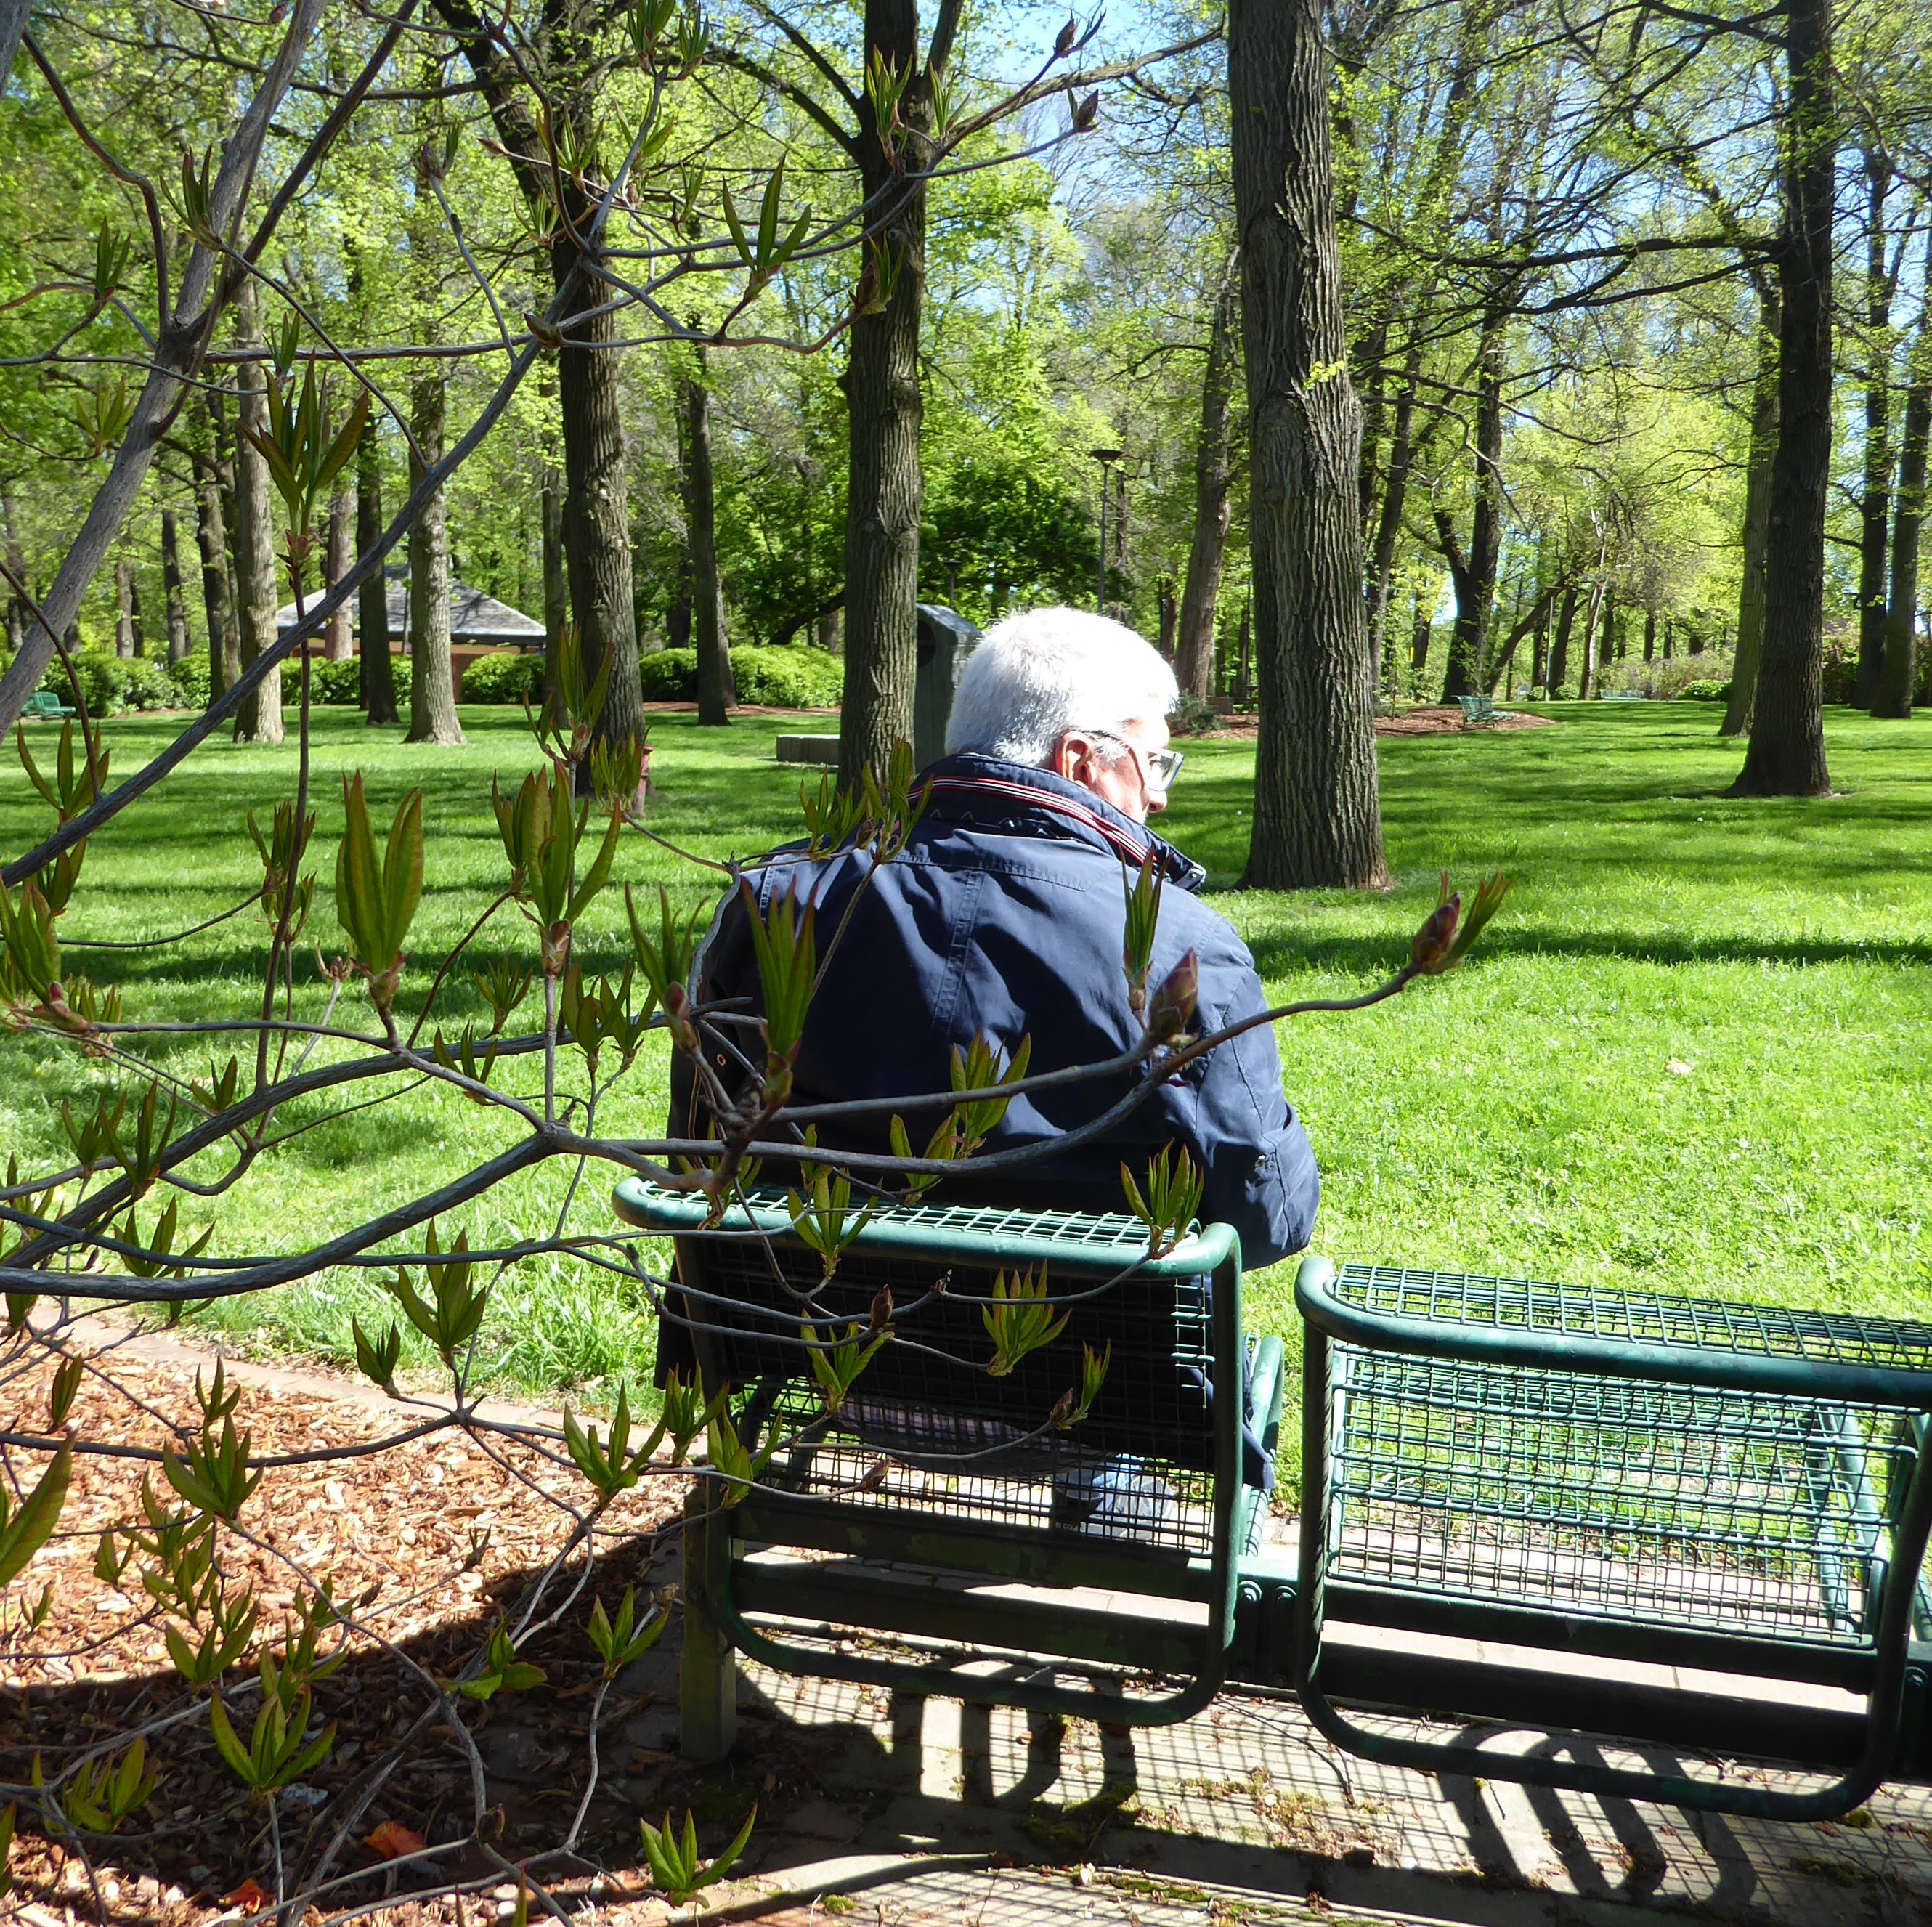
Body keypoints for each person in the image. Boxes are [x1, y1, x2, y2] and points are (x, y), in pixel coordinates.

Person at [670, 604, 1318, 1265]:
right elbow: (1268, 1215)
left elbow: (699, 1157)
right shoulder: (1184, 947)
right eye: (1154, 761)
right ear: (1079, 759)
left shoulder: (777, 898)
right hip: (1104, 1352)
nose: (1159, 797)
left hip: (808, 1339)